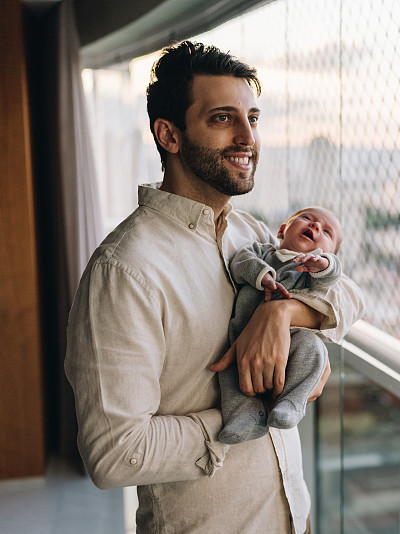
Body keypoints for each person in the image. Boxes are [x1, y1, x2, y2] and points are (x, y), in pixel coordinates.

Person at [64, 41, 364, 534]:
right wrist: (241, 416)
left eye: (253, 117)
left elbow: (349, 296)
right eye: (224, 118)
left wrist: (284, 316)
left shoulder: (252, 234)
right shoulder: (125, 271)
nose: (248, 137)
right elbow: (114, 453)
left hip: (295, 517)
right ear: (170, 135)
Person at [220, 206, 344, 443]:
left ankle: (291, 403)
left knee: (314, 350)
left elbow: (335, 273)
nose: (316, 226)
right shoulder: (263, 253)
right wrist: (262, 275)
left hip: (292, 338)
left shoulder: (311, 272)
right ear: (281, 230)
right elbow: (240, 262)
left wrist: (324, 265)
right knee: (230, 372)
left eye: (327, 232)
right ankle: (242, 416)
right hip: (244, 336)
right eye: (307, 218)